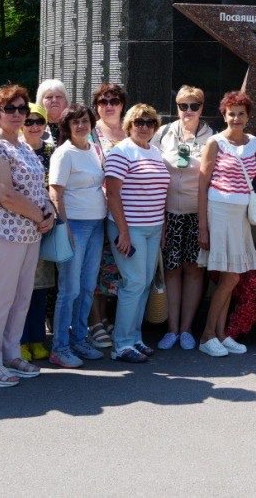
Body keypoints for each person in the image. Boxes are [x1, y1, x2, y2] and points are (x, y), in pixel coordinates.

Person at [0, 85, 55, 388]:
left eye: (23, 109)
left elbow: (37, 187)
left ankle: (11, 353)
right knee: (1, 298)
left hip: (30, 234)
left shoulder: (23, 146)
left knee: (22, 298)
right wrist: (39, 216)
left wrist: (48, 213)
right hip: (4, 234)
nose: (18, 114)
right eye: (11, 109)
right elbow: (5, 195)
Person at [195, 90, 256, 357]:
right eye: (232, 113)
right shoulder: (214, 143)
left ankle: (220, 333)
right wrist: (202, 225)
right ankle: (207, 335)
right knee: (229, 277)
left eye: (241, 113)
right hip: (218, 212)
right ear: (224, 115)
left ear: (248, 116)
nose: (236, 118)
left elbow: (247, 180)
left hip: (240, 215)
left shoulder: (253, 142)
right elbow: (202, 185)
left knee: (232, 276)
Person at [103, 103, 171, 363]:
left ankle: (135, 338)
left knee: (142, 285)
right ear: (129, 125)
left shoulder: (154, 151)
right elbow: (112, 194)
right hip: (129, 228)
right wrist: (123, 232)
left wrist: (162, 228)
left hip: (153, 228)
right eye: (138, 122)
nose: (144, 127)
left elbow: (160, 193)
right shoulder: (122, 152)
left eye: (149, 123)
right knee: (133, 284)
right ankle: (121, 345)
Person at [152, 85, 213, 351]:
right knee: (173, 271)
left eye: (194, 106)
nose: (188, 111)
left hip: (197, 214)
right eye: (183, 106)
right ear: (176, 107)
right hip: (168, 214)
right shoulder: (163, 133)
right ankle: (172, 329)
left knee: (194, 271)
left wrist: (203, 224)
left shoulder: (211, 137)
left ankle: (187, 329)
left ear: (202, 108)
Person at [47, 104, 107, 367]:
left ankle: (80, 339)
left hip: (96, 225)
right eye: (76, 122)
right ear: (67, 127)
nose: (81, 126)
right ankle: (60, 347)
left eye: (85, 121)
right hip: (76, 227)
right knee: (69, 290)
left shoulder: (94, 150)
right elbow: (55, 192)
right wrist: (65, 226)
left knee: (86, 287)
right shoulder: (64, 153)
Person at [88, 82, 129, 349]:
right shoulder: (90, 133)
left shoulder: (132, 130)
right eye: (103, 102)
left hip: (127, 210)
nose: (109, 106)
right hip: (96, 209)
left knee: (115, 268)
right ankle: (95, 322)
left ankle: (108, 318)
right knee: (94, 267)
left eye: (113, 100)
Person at [18, 102, 56, 362]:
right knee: (20, 287)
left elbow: (55, 187)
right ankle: (19, 340)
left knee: (41, 286)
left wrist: (51, 213)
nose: (33, 126)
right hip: (19, 225)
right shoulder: (15, 151)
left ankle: (37, 337)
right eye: (28, 121)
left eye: (38, 121)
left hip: (46, 225)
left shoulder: (53, 152)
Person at [37, 79, 70, 146]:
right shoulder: (34, 125)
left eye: (58, 97)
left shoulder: (72, 124)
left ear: (66, 102)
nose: (54, 100)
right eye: (49, 97)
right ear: (41, 102)